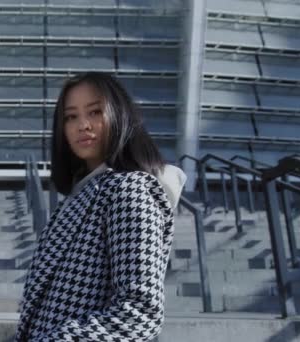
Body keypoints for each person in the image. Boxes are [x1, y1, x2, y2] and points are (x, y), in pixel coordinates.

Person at [15, 72, 186, 341]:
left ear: (120, 115)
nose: (82, 125)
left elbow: (140, 312)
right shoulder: (82, 195)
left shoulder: (130, 189)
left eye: (95, 112)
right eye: (71, 116)